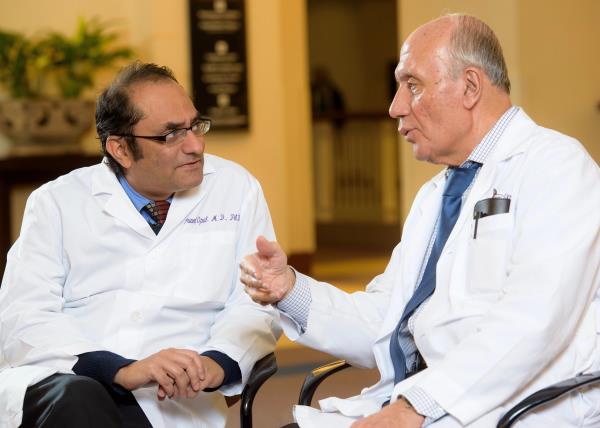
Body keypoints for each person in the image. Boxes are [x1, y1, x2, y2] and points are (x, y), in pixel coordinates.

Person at [240, 14, 600, 428]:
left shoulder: (555, 168)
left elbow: (533, 323)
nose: (395, 107)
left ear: (470, 87)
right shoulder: (437, 194)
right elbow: (387, 320)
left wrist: (415, 406)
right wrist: (289, 289)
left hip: (503, 411)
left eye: (412, 85)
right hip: (425, 404)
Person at [0, 62, 281, 428]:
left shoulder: (236, 189)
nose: (195, 146)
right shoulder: (56, 202)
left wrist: (218, 361)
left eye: (195, 126)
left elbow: (257, 302)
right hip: (67, 379)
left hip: (171, 399)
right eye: (171, 135)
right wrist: (119, 370)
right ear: (120, 149)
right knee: (79, 399)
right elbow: (24, 314)